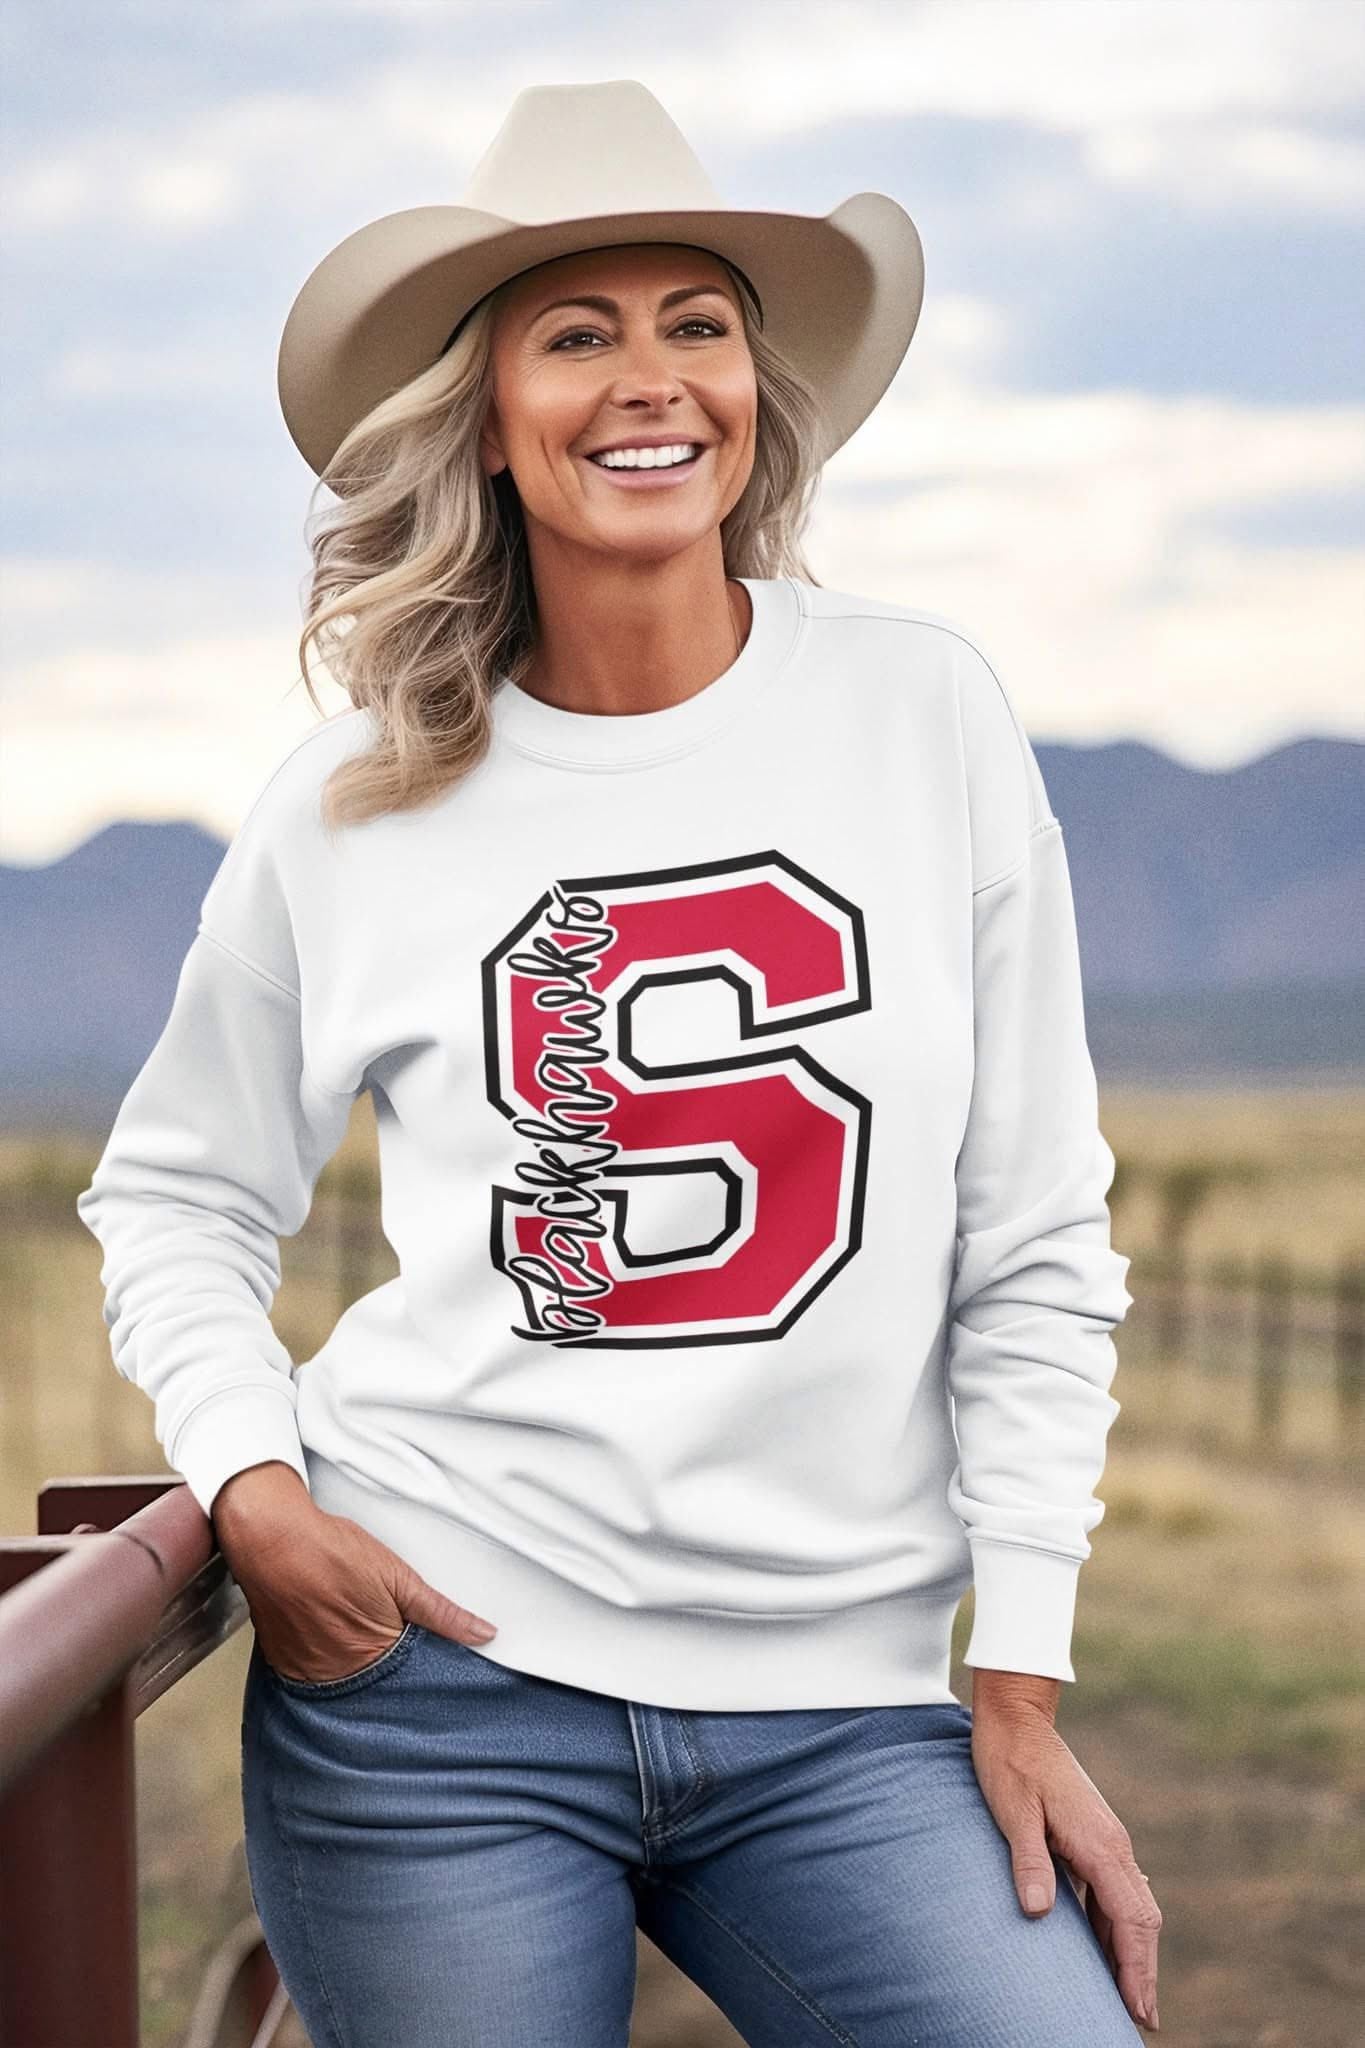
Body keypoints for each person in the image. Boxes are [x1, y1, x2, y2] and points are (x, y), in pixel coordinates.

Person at [76, 78, 1161, 2047]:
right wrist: (249, 1480)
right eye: (574, 332)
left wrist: (1018, 1673)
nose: (647, 379)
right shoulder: (352, 796)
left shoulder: (921, 716)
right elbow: (177, 1189)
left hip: (844, 1717)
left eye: (697, 323)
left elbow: (1030, 1235)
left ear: (756, 391)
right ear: (482, 418)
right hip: (437, 1699)